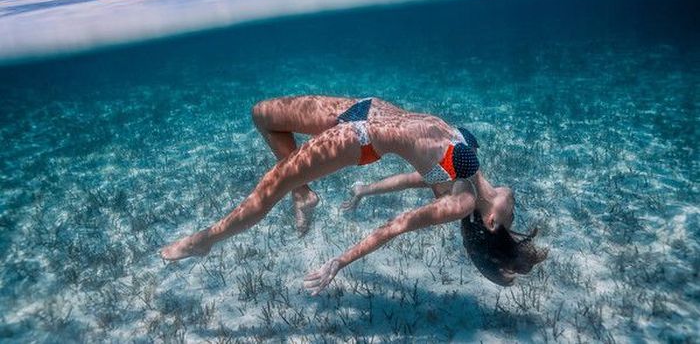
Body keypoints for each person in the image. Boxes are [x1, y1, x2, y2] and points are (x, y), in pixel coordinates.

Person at [161, 96, 545, 293]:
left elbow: (395, 227)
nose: (516, 211)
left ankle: (205, 241)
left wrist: (338, 263)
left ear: (491, 221)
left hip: (357, 138)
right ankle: (303, 195)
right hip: (363, 107)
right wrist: (365, 191)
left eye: (512, 224)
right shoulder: (467, 179)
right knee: (263, 114)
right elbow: (412, 178)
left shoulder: (461, 202)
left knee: (267, 191)